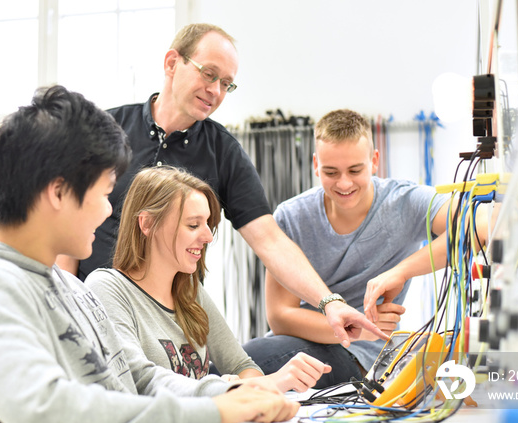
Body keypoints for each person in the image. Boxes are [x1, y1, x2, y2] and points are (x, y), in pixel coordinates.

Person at [0, 85, 298, 423]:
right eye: (104, 194)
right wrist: (212, 411)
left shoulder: (73, 289)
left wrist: (230, 394)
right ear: (58, 192)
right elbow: (45, 413)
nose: (108, 211)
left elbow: (138, 377)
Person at [55, 23, 385, 346]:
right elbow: (68, 227)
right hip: (95, 314)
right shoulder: (105, 130)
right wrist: (67, 312)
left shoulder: (222, 151)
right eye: (209, 74)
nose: (216, 91)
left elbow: (269, 240)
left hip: (172, 328)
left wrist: (329, 303)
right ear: (172, 63)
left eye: (227, 83)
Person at [243, 109, 456, 388]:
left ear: (375, 161)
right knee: (238, 362)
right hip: (301, 341)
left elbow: (479, 228)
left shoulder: (406, 202)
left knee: (245, 364)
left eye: (355, 170)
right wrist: (358, 331)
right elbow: (281, 316)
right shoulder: (292, 216)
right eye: (331, 172)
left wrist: (400, 272)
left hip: (364, 358)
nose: (344, 183)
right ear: (316, 165)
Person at [85, 166, 331, 393]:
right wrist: (233, 388)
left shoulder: (190, 290)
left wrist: (243, 383)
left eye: (207, 224)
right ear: (147, 223)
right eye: (193, 225)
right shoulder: (107, 288)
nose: (207, 237)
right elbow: (138, 378)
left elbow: (242, 365)